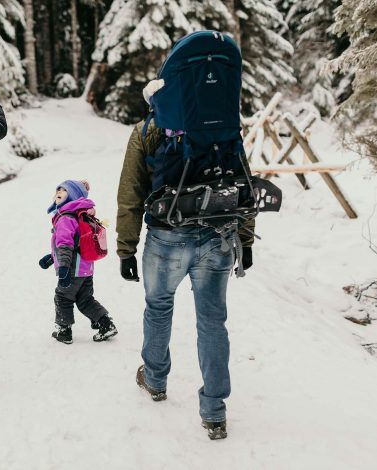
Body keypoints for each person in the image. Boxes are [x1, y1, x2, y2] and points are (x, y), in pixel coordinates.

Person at [116, 46, 254, 439]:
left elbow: (130, 194)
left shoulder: (146, 132)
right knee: (213, 320)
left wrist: (126, 248)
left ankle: (156, 379)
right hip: (218, 233)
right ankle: (214, 410)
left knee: (158, 307)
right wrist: (246, 237)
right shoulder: (224, 127)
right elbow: (243, 181)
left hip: (166, 237)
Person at [39, 180, 118, 344]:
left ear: (73, 195)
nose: (59, 192)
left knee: (62, 298)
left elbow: (65, 244)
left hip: (72, 269)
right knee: (85, 300)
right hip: (86, 268)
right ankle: (106, 324)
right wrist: (51, 257)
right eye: (58, 189)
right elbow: (72, 243)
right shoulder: (78, 215)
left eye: (64, 190)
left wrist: (64, 268)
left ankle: (64, 331)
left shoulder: (65, 218)